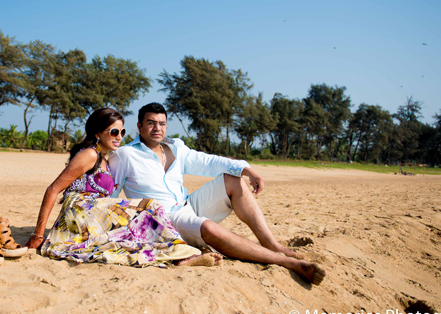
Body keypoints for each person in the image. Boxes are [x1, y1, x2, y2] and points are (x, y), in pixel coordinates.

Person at [109, 103, 325, 284]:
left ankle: (272, 244)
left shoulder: (176, 147)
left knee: (232, 178)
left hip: (188, 204)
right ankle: (288, 263)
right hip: (164, 219)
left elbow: (209, 161)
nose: (157, 128)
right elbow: (112, 193)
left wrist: (246, 169)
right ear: (139, 126)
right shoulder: (125, 155)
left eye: (162, 123)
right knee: (208, 227)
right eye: (151, 123)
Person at [25, 107, 208, 267]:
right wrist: (38, 235)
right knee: (149, 206)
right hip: (80, 211)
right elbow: (53, 189)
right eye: (114, 132)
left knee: (141, 220)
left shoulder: (105, 158)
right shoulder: (89, 154)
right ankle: (182, 252)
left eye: (122, 132)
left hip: (94, 212)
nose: (119, 137)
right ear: (98, 133)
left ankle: (179, 252)